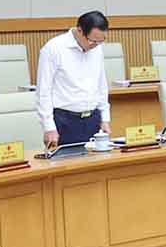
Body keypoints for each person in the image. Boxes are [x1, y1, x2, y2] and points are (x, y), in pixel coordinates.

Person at [35, 10, 111, 148]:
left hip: (93, 119)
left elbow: (101, 85)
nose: (95, 45)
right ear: (80, 30)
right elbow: (43, 91)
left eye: (101, 41)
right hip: (65, 121)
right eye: (92, 41)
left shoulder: (97, 48)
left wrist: (105, 118)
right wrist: (49, 127)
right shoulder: (54, 48)